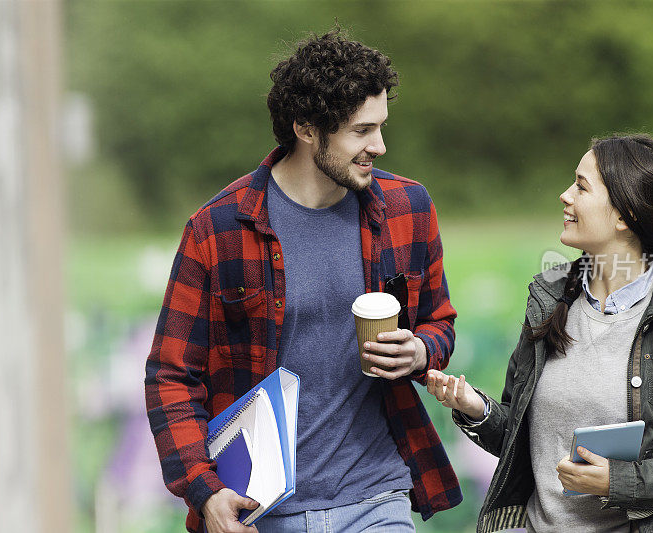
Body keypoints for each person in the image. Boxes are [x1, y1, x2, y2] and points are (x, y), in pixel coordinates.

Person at [145, 29, 461, 533]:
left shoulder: (409, 208)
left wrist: (421, 351)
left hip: (378, 494)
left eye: (380, 127)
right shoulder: (218, 231)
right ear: (307, 128)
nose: (379, 145)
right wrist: (204, 491)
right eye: (362, 131)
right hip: (262, 510)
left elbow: (439, 323)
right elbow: (170, 377)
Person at [426, 134, 653, 532]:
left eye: (581, 186)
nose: (564, 195)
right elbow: (527, 445)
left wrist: (618, 482)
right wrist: (477, 409)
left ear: (624, 215)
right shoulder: (548, 305)